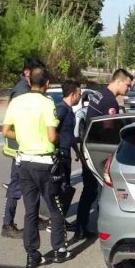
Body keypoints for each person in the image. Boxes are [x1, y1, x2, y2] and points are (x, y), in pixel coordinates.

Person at [2, 66, 69, 268]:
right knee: (55, 208)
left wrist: (23, 136)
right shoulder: (47, 103)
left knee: (30, 210)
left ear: (29, 82)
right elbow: (51, 136)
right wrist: (59, 140)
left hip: (24, 163)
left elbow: (5, 131)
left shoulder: (16, 102)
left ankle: (32, 255)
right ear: (47, 84)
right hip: (45, 164)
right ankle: (59, 250)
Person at [72, 68, 133, 243]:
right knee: (101, 191)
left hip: (89, 147)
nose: (128, 89)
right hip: (99, 151)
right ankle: (93, 228)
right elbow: (109, 129)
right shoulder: (110, 101)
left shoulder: (99, 94)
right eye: (127, 85)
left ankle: (81, 227)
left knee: (89, 192)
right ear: (119, 81)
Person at [1, 57, 43, 238]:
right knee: (17, 185)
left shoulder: (25, 88)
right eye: (37, 73)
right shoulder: (21, 91)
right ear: (28, 72)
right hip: (19, 147)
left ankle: (33, 218)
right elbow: (16, 123)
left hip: (24, 145)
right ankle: (7, 224)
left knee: (29, 184)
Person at [54, 80, 82, 218]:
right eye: (79, 94)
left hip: (67, 153)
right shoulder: (61, 109)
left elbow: (69, 134)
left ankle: (61, 220)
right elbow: (52, 130)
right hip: (60, 155)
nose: (80, 97)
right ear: (73, 94)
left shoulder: (69, 110)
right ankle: (57, 221)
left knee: (65, 187)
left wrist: (76, 150)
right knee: (61, 188)